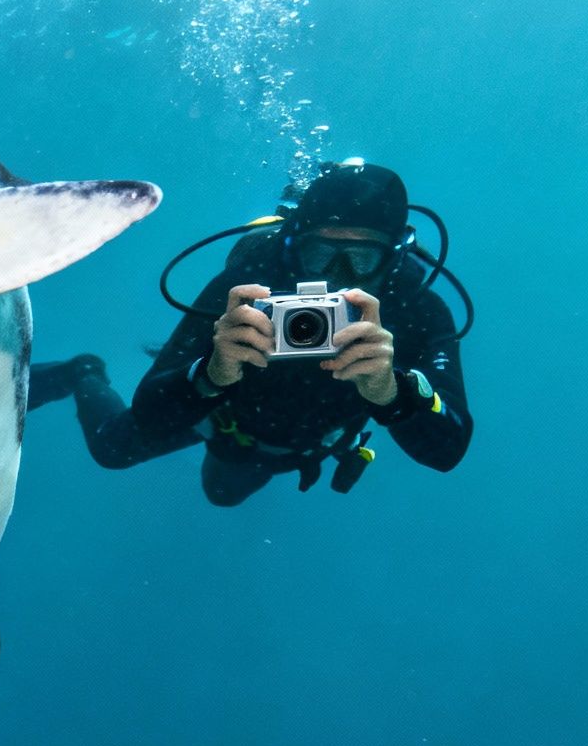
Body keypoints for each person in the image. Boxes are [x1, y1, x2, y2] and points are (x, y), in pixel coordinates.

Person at [27, 162, 472, 505]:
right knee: (112, 449)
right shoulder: (249, 285)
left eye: (361, 258)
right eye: (321, 253)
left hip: (308, 440)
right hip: (224, 419)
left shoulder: (416, 309)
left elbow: (448, 450)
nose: (338, 277)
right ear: (296, 245)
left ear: (393, 257)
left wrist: (393, 393)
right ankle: (82, 372)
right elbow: (149, 413)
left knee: (223, 493)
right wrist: (211, 373)